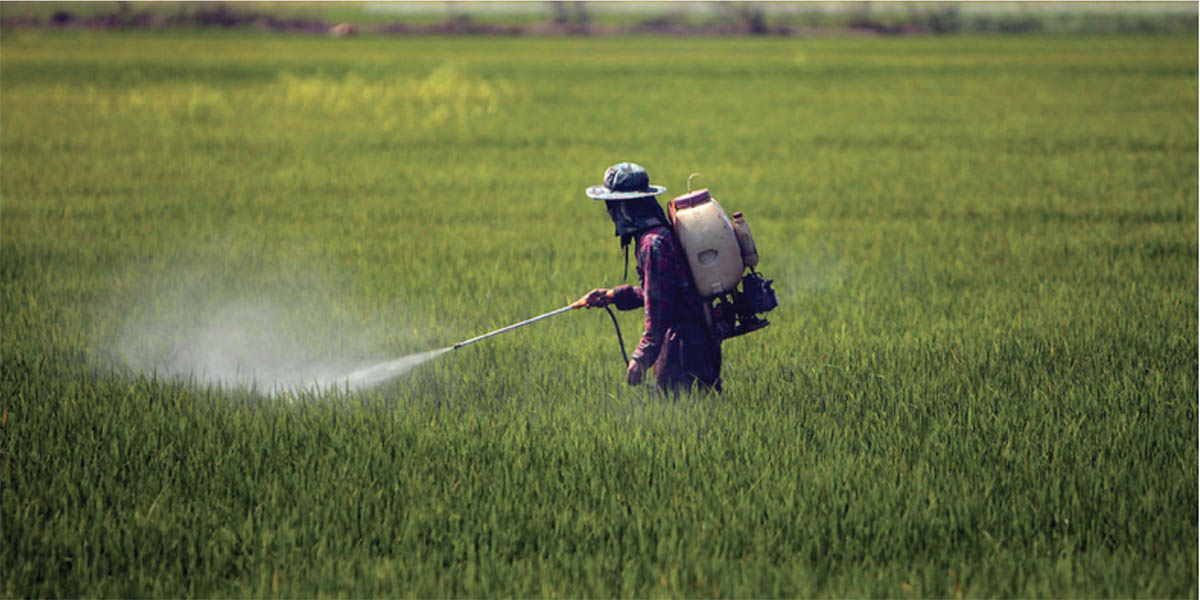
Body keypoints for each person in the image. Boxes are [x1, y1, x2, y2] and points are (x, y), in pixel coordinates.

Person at [576, 162, 722, 393]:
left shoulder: (652, 244)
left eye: (612, 206)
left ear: (624, 207)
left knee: (679, 417)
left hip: (682, 348)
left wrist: (642, 356)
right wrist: (613, 295)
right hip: (698, 339)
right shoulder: (660, 235)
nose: (610, 212)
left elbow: (659, 307)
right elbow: (659, 292)